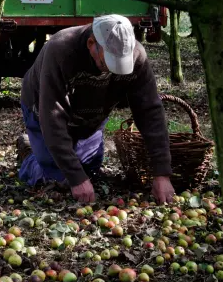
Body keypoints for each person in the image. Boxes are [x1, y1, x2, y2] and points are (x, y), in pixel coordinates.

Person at [17, 14, 175, 204]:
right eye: (106, 63)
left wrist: (162, 173)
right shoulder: (61, 50)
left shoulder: (137, 57)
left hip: (90, 114)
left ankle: (48, 155)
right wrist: (76, 178)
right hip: (42, 110)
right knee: (58, 178)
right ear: (91, 43)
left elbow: (150, 112)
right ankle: (29, 153)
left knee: (89, 171)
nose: (111, 71)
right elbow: (52, 117)